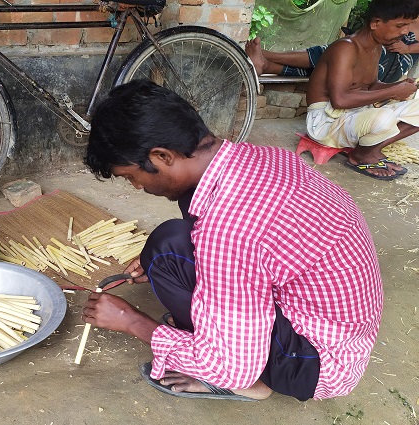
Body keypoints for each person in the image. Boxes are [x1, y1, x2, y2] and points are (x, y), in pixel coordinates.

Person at [81, 79, 383, 401]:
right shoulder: (256, 156)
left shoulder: (230, 228)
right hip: (341, 331)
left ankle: (255, 385)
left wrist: (132, 321)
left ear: (162, 156)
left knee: (167, 255)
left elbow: (230, 365)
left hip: (316, 362)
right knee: (168, 242)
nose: (136, 187)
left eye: (131, 177)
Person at [305, 0, 419, 180]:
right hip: (326, 122)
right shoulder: (346, 48)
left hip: (355, 114)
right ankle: (361, 156)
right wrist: (392, 92)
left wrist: (400, 87)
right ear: (375, 23)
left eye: (407, 26)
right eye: (400, 25)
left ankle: (370, 150)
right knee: (383, 119)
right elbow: (340, 100)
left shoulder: (376, 47)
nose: (405, 32)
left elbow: (371, 86)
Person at [245, 19, 419, 83]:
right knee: (334, 60)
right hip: (384, 49)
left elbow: (340, 99)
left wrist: (409, 48)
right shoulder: (404, 8)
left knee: (334, 59)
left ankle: (266, 56)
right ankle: (266, 64)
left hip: (396, 61)